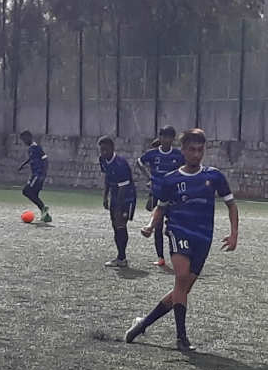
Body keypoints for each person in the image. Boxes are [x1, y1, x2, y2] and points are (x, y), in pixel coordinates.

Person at [125, 128, 239, 352]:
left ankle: (142, 324)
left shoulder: (214, 176)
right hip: (178, 231)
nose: (197, 154)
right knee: (181, 278)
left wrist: (234, 234)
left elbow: (231, 205)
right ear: (184, 151)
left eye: (200, 149)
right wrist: (150, 226)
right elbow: (160, 207)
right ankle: (181, 338)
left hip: (203, 238)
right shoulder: (171, 180)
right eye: (192, 150)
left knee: (182, 289)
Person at [138, 126, 185, 267]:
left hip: (173, 196)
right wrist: (148, 178)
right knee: (157, 227)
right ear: (160, 138)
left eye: (169, 137)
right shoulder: (152, 154)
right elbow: (139, 163)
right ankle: (160, 257)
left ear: (173, 139)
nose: (166, 140)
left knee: (173, 227)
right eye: (164, 137)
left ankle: (177, 256)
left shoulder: (178, 155)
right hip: (156, 194)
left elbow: (186, 168)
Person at [98, 136, 137, 267]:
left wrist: (119, 209)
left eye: (106, 150)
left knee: (120, 224)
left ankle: (122, 258)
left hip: (127, 197)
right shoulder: (102, 160)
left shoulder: (121, 164)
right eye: (101, 150)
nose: (103, 152)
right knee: (115, 225)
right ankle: (120, 257)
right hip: (115, 195)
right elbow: (107, 178)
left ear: (113, 148)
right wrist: (105, 196)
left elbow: (124, 187)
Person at [17, 130, 52, 222]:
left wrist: (42, 173)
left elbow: (45, 160)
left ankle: (43, 207)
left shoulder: (36, 148)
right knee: (34, 195)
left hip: (38, 175)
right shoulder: (32, 149)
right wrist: (23, 165)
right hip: (36, 174)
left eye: (24, 140)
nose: (24, 142)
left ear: (29, 138)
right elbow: (31, 158)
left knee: (26, 191)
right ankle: (46, 215)